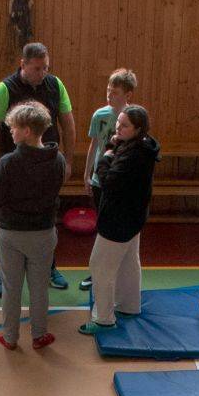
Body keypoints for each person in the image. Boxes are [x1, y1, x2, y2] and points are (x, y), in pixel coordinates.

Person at [0, 43, 77, 294]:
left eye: (46, 67)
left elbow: (68, 124)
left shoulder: (55, 85)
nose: (42, 73)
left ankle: (50, 267)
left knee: (48, 212)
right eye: (37, 68)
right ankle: (3, 274)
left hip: (46, 163)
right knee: (6, 218)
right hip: (15, 164)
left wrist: (68, 161)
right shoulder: (4, 90)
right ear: (22, 64)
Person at [0, 102, 68, 351]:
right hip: (43, 231)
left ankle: (10, 337)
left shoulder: (8, 162)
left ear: (27, 131)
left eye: (14, 127)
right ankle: (39, 335)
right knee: (39, 286)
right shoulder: (58, 160)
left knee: (11, 287)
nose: (11, 130)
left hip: (10, 232)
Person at [79, 104, 160, 335]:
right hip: (134, 217)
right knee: (129, 262)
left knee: (99, 266)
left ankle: (104, 319)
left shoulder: (133, 156)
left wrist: (105, 157)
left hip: (118, 220)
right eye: (118, 123)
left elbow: (108, 182)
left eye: (124, 125)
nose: (118, 128)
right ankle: (129, 305)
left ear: (138, 129)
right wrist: (115, 145)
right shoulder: (144, 146)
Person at [80, 69, 138, 291]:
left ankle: (118, 271)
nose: (109, 95)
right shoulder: (100, 115)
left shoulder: (133, 118)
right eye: (108, 90)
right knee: (102, 224)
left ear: (128, 95)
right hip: (100, 180)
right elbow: (94, 145)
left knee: (119, 227)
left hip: (120, 182)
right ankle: (97, 272)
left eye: (115, 92)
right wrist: (87, 174)